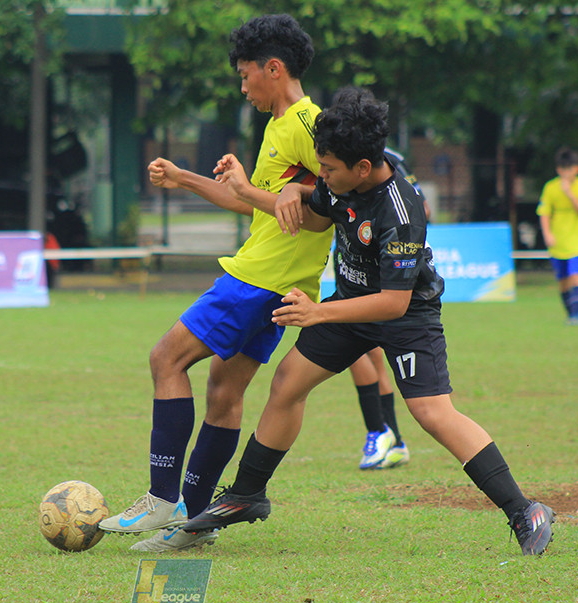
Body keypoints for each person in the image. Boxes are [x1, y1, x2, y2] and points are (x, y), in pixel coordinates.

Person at [181, 88, 555, 556]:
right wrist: (293, 191)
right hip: (352, 303)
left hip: (405, 315)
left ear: (362, 167)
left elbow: (393, 304)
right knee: (287, 383)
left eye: (329, 170)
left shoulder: (401, 211)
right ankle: (247, 494)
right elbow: (318, 217)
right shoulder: (340, 178)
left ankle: (524, 510)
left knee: (431, 413)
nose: (323, 176)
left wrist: (317, 312)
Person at [98, 15, 333, 552]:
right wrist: (185, 178)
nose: (243, 85)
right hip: (278, 284)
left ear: (274, 69)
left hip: (257, 279)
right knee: (224, 394)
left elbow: (323, 208)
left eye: (247, 74)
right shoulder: (282, 126)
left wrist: (277, 194)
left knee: (166, 360)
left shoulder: (306, 124)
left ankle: (161, 499)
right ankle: (194, 524)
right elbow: (254, 200)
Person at [344, 147, 430, 470]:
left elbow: (422, 207)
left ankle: (380, 431)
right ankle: (391, 436)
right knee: (370, 354)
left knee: (356, 348)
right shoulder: (387, 157)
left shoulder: (385, 164)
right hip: (358, 260)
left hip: (382, 268)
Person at [537, 147, 578, 325]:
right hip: (558, 240)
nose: (566, 173)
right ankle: (570, 314)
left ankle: (576, 316)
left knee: (576, 276)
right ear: (558, 170)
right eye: (562, 169)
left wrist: (569, 193)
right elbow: (544, 212)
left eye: (569, 169)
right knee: (562, 281)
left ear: (577, 169)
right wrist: (547, 233)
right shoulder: (550, 187)